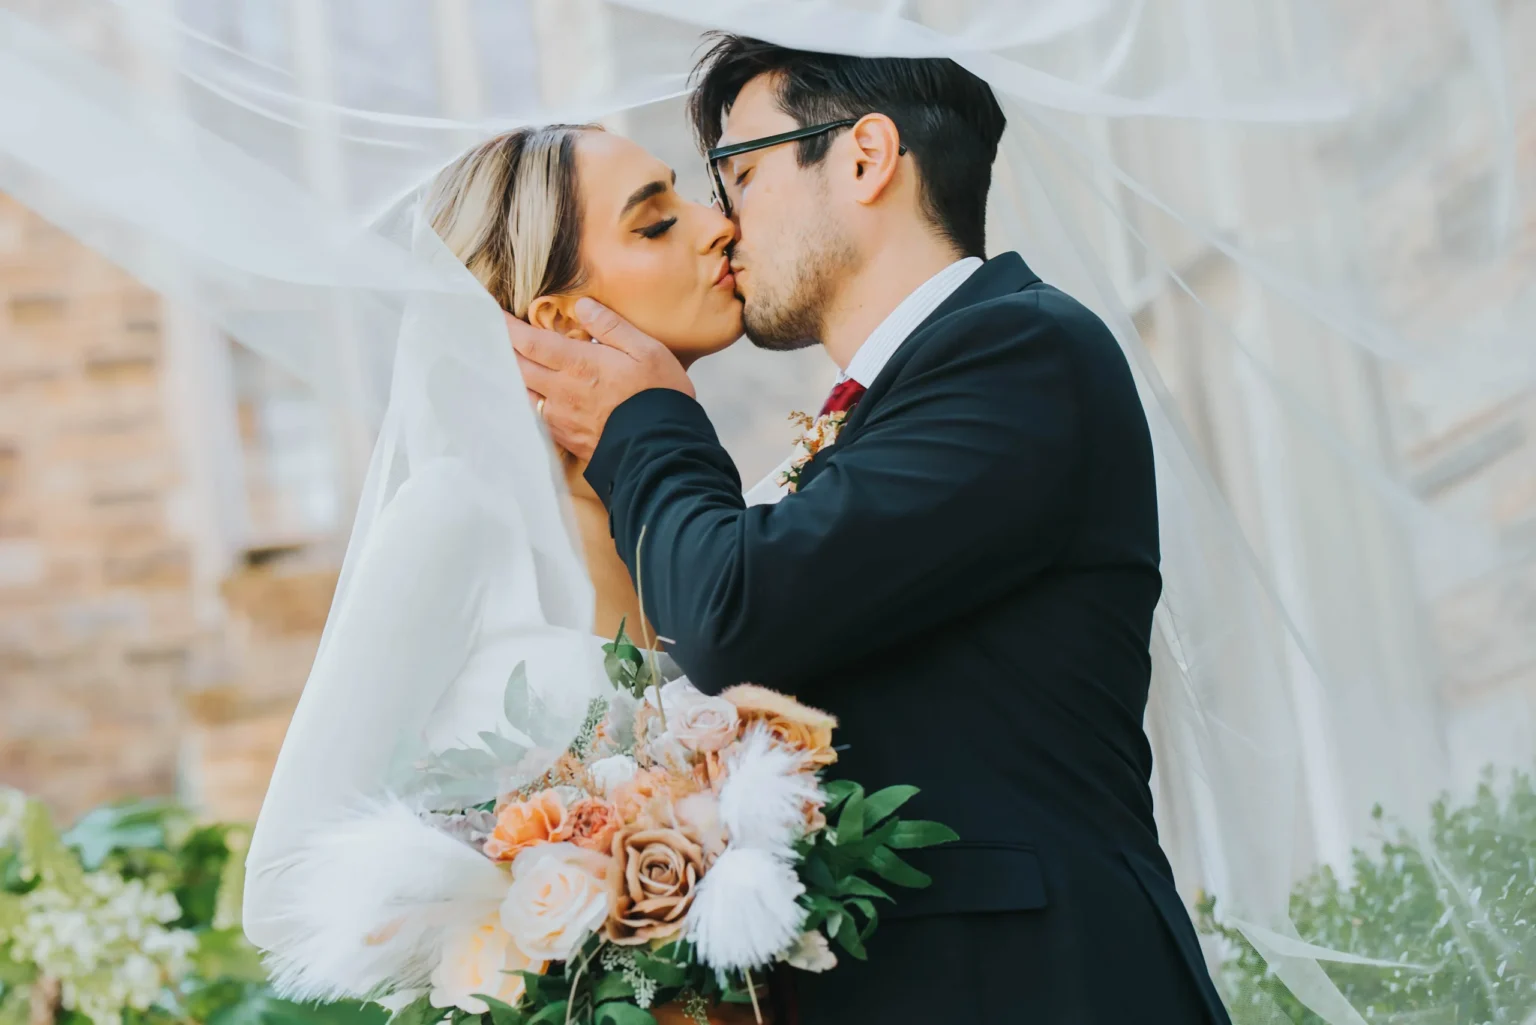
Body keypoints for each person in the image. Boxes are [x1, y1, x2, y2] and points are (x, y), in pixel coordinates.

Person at [507, 35, 1233, 1024]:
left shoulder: (1019, 350)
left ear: (864, 156)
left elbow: (734, 616)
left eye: (741, 173)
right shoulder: (877, 420)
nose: (722, 224)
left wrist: (648, 419)